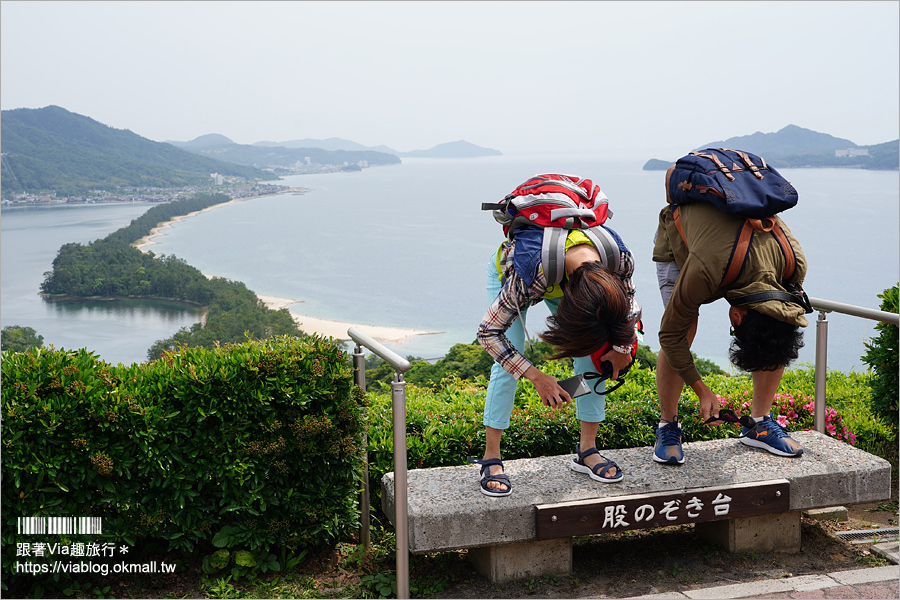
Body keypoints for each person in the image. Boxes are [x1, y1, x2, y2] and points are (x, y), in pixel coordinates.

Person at [474, 182, 641, 496]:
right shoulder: (528, 276)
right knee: (510, 357)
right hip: (519, 272)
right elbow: (488, 334)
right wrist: (537, 377)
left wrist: (620, 347)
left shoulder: (620, 261)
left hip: (571, 278)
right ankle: (491, 457)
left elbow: (628, 304)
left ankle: (587, 450)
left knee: (595, 354)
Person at [651, 166, 808, 465]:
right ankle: (667, 425)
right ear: (736, 318)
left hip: (729, 257)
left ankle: (760, 422)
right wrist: (701, 390)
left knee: (777, 331)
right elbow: (669, 336)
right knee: (683, 330)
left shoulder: (793, 265)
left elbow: (780, 320)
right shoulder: (704, 271)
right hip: (682, 246)